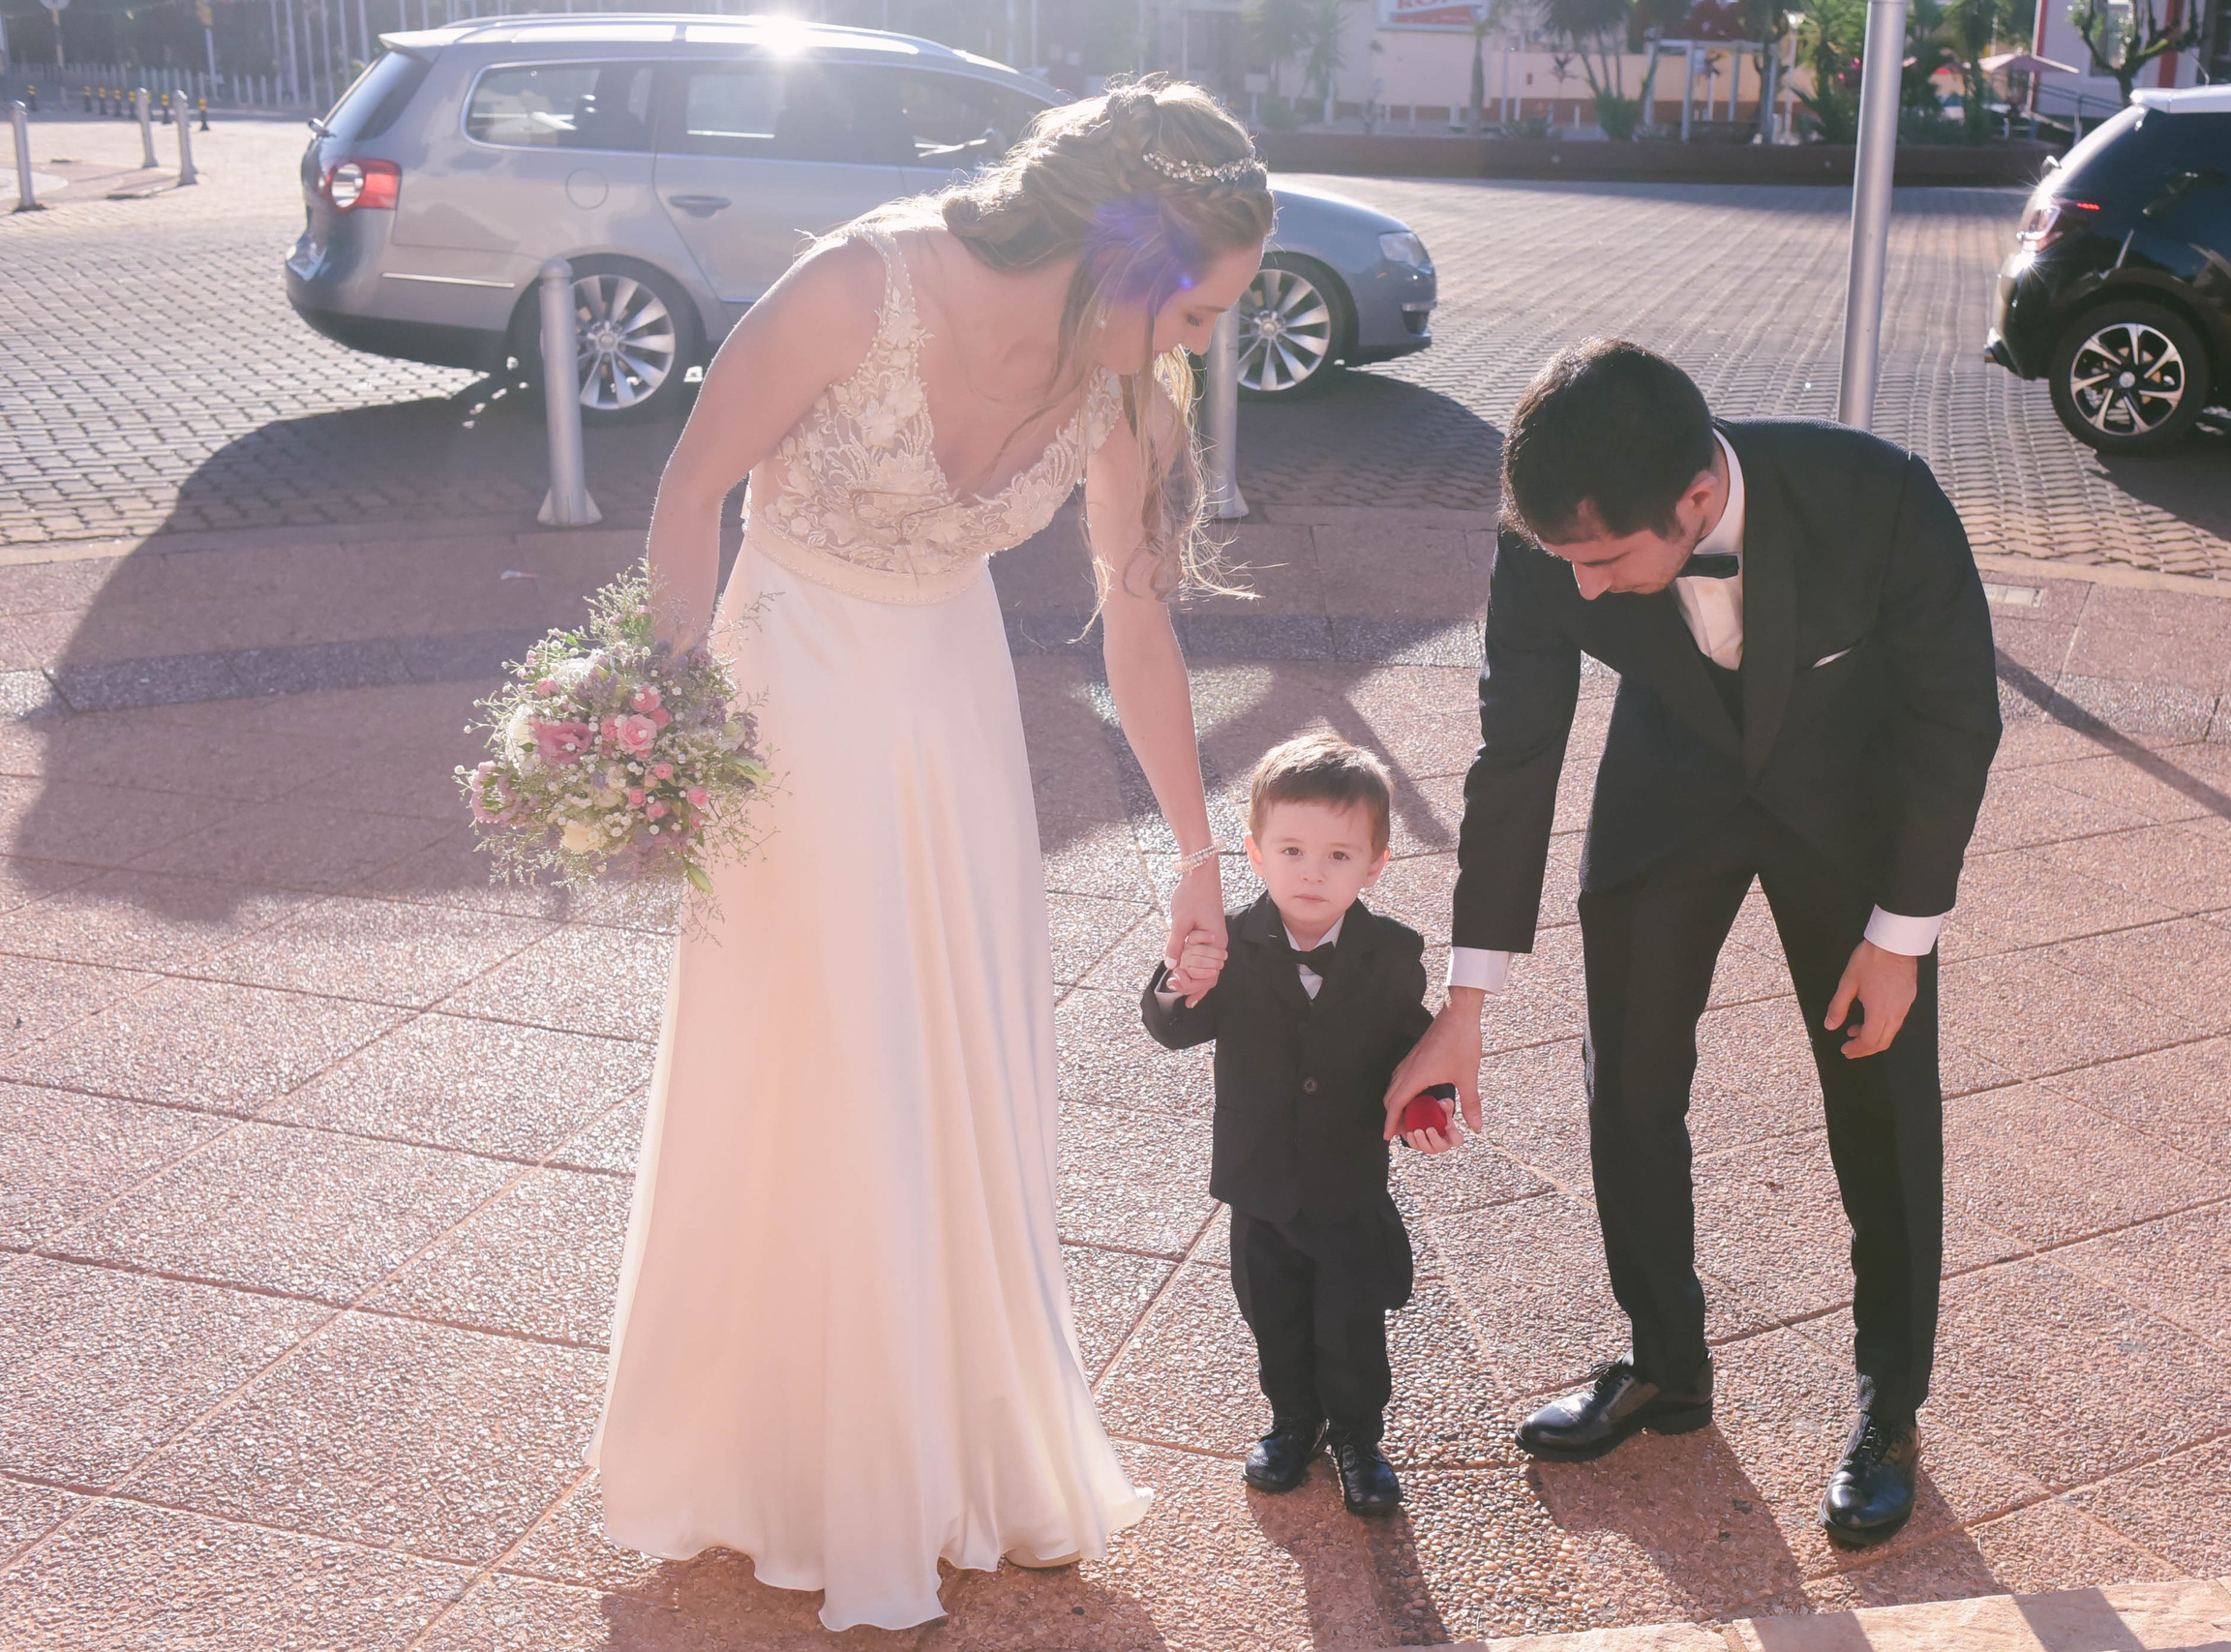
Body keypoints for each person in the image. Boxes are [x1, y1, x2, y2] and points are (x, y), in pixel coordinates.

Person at [586, 80, 1275, 1632]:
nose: (1196, 347)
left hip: (949, 710)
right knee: (827, 1056)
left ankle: (957, 1449)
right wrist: (670, 722)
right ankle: (792, 1463)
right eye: (1198, 310)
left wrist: (1190, 848)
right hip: (792, 681)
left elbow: (1143, 627)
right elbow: (692, 485)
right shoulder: (857, 285)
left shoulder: (1125, 403)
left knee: (952, 1052)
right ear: (1128, 257)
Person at [1386, 340, 2001, 1548]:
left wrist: (1901, 938)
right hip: (1668, 796)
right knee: (1628, 1083)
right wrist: (1464, 1000)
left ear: (1698, 500)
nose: (1590, 589)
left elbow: (1953, 718)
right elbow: (1516, 753)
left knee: (1878, 1101)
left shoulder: (1878, 498)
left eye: (1608, 562)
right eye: (1570, 566)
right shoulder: (1549, 536)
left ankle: (1889, 1405)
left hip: (1846, 809)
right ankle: (1664, 1364)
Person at [1140, 735, 1453, 1517]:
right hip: (1261, 1181)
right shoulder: (1230, 945)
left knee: (1349, 1318)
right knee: (1272, 1312)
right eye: (1292, 849)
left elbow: (1412, 1042)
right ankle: (1291, 1422)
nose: (1313, 871)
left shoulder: (1390, 957)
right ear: (1254, 852)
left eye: (1340, 855)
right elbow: (1173, 1026)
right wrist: (1182, 983)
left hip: (1347, 1179)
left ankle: (1356, 1434)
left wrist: (1426, 1096)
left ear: (1376, 863)